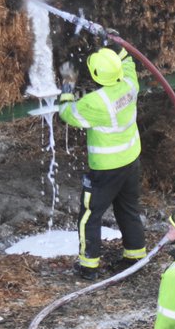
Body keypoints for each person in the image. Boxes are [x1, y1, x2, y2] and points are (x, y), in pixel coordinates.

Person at [57, 45, 147, 280]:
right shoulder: (130, 83)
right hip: (131, 160)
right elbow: (128, 61)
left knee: (89, 214)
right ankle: (135, 256)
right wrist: (115, 43)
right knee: (128, 208)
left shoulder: (95, 102)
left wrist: (67, 84)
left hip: (106, 168)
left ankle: (88, 265)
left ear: (95, 76)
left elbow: (67, 113)